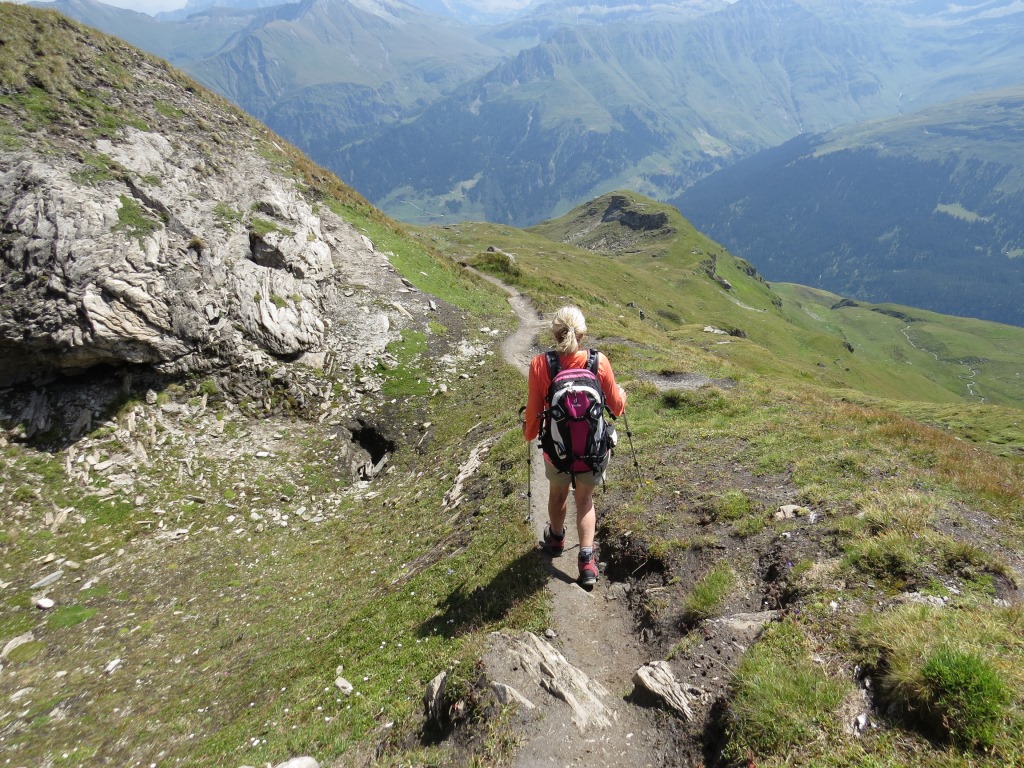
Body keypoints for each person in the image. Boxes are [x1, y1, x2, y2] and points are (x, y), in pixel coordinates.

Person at [523, 306, 627, 587]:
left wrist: (529, 432)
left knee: (557, 494)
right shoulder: (598, 362)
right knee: (585, 499)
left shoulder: (540, 365)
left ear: (554, 333)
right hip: (593, 452)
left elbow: (533, 413)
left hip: (556, 451)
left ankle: (556, 539)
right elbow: (617, 407)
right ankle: (587, 562)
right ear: (582, 333)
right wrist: (622, 395)